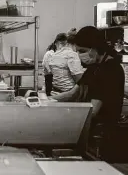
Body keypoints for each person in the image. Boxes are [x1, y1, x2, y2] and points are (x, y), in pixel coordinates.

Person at [52, 26, 124, 162]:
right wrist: (46, 100)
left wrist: (64, 118)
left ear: (95, 47)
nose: (80, 55)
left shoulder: (112, 69)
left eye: (82, 51)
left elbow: (93, 109)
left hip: (102, 137)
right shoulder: (93, 67)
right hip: (88, 132)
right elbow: (73, 93)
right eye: (78, 51)